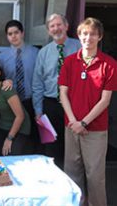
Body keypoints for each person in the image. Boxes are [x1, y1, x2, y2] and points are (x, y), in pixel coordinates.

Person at [59, 18, 117, 206]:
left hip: (95, 130)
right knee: (72, 174)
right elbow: (63, 94)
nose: (88, 37)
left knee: (95, 177)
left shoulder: (109, 64)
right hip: (71, 127)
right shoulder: (69, 62)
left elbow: (105, 100)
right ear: (79, 35)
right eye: (84, 33)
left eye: (92, 34)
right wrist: (74, 122)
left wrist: (83, 122)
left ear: (99, 37)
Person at [32, 13, 81, 168]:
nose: (56, 28)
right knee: (52, 147)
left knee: (74, 146)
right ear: (48, 31)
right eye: (52, 26)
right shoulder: (44, 53)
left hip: (75, 104)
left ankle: (74, 182)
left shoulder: (80, 48)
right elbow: (38, 83)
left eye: (59, 24)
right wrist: (38, 110)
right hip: (51, 104)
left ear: (66, 26)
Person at [0, 20, 39, 153]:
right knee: (14, 142)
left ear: (22, 33)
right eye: (10, 34)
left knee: (31, 142)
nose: (13, 36)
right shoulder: (2, 57)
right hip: (11, 104)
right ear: (7, 36)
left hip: (30, 102)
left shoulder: (36, 53)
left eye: (16, 32)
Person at [0, 60, 31, 156]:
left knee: (11, 153)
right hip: (3, 125)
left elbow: (20, 116)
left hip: (21, 127)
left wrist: (9, 138)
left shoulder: (6, 89)